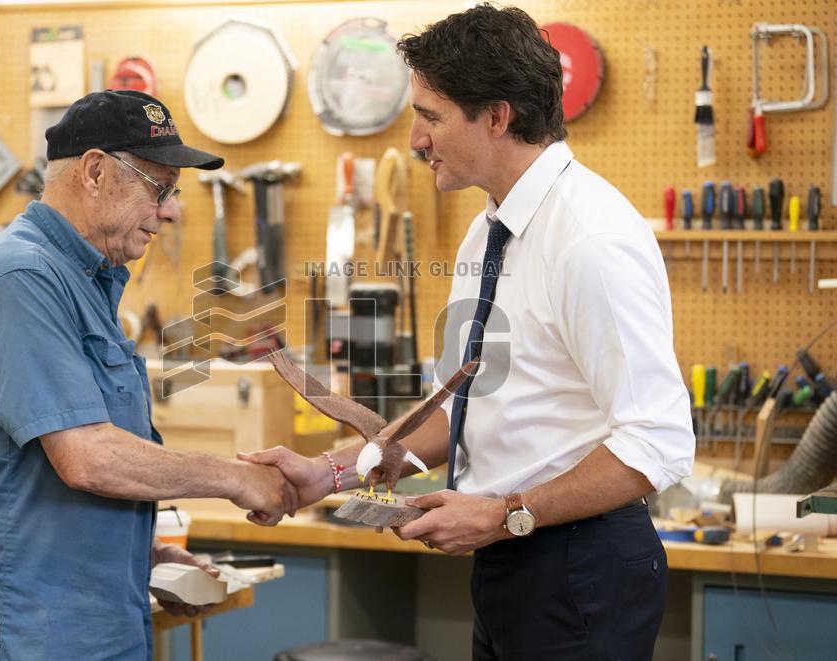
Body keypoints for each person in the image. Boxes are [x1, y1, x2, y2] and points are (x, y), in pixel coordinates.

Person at [241, 5, 695, 659]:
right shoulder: (488, 229)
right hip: (511, 559)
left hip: (581, 567)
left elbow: (658, 441)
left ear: (497, 115)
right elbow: (458, 410)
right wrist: (333, 471)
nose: (415, 140)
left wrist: (507, 511)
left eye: (430, 116)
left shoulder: (590, 238)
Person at [0, 89, 297, 660]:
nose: (172, 210)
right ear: (96, 171)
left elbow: (45, 487)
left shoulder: (85, 283)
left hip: (95, 630)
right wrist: (234, 477)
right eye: (161, 189)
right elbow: (87, 457)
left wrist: (146, 557)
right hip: (30, 640)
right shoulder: (18, 279)